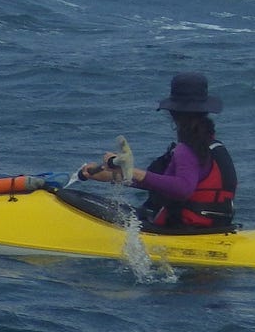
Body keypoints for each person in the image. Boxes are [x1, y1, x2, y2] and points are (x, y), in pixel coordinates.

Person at [79, 72, 237, 231]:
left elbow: (182, 188)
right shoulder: (214, 146)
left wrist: (134, 172)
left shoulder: (186, 150)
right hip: (217, 227)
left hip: (182, 228)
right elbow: (164, 184)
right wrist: (112, 176)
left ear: (172, 113)